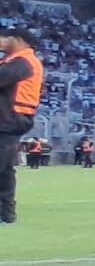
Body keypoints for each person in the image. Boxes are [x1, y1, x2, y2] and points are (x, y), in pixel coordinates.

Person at [0, 26, 45, 224]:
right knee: (5, 168)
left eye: (2, 38)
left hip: (9, 119)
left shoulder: (23, 62)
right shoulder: (16, 62)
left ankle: (7, 213)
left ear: (16, 39)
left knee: (3, 167)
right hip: (10, 119)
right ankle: (7, 214)